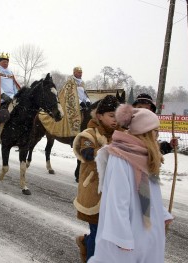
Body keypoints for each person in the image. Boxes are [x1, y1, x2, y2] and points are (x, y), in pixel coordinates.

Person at [88, 104, 174, 263]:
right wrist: (121, 236)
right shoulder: (121, 157)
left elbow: (152, 194)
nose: (158, 135)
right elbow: (117, 200)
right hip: (128, 236)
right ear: (146, 132)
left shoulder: (147, 156)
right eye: (155, 131)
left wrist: (161, 214)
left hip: (146, 230)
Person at [72, 95, 122, 262]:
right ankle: (91, 257)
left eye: (118, 115)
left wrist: (162, 147)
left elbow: (140, 149)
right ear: (99, 115)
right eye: (111, 115)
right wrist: (110, 150)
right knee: (98, 231)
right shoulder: (89, 134)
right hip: (96, 191)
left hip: (117, 193)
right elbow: (87, 153)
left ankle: (85, 242)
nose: (116, 119)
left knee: (114, 234)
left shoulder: (123, 135)